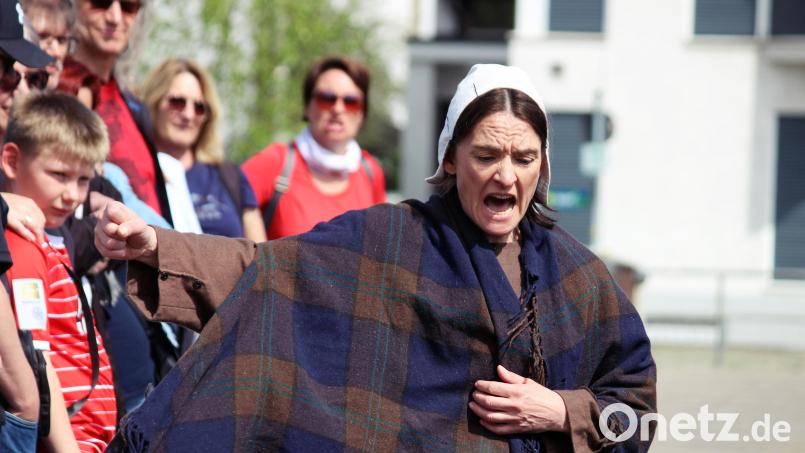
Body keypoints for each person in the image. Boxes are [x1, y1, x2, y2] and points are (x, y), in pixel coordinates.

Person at [96, 64, 656, 452]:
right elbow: (270, 270)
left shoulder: (579, 276)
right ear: (452, 159)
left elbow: (635, 411)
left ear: (543, 166)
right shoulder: (392, 239)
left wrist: (560, 411)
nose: (506, 175)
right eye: (486, 154)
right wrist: (158, 245)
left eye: (524, 157)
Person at [4, 91, 116, 452]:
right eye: (58, 174)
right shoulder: (22, 247)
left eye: (83, 180)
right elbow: (37, 360)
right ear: (11, 161)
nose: (72, 195)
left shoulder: (55, 237)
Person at [241, 56, 385, 239]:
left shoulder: (371, 172)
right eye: (326, 98)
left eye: (351, 101)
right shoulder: (275, 162)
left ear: (362, 114)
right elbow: (223, 212)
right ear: (307, 107)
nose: (338, 109)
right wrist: (256, 257)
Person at [58, 0, 173, 225]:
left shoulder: (135, 105)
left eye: (128, 6)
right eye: (100, 3)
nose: (115, 18)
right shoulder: (54, 91)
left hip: (151, 252)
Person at [140, 57, 266, 241]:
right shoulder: (137, 173)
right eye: (177, 102)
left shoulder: (229, 176)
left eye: (199, 107)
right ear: (154, 103)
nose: (188, 115)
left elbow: (260, 256)